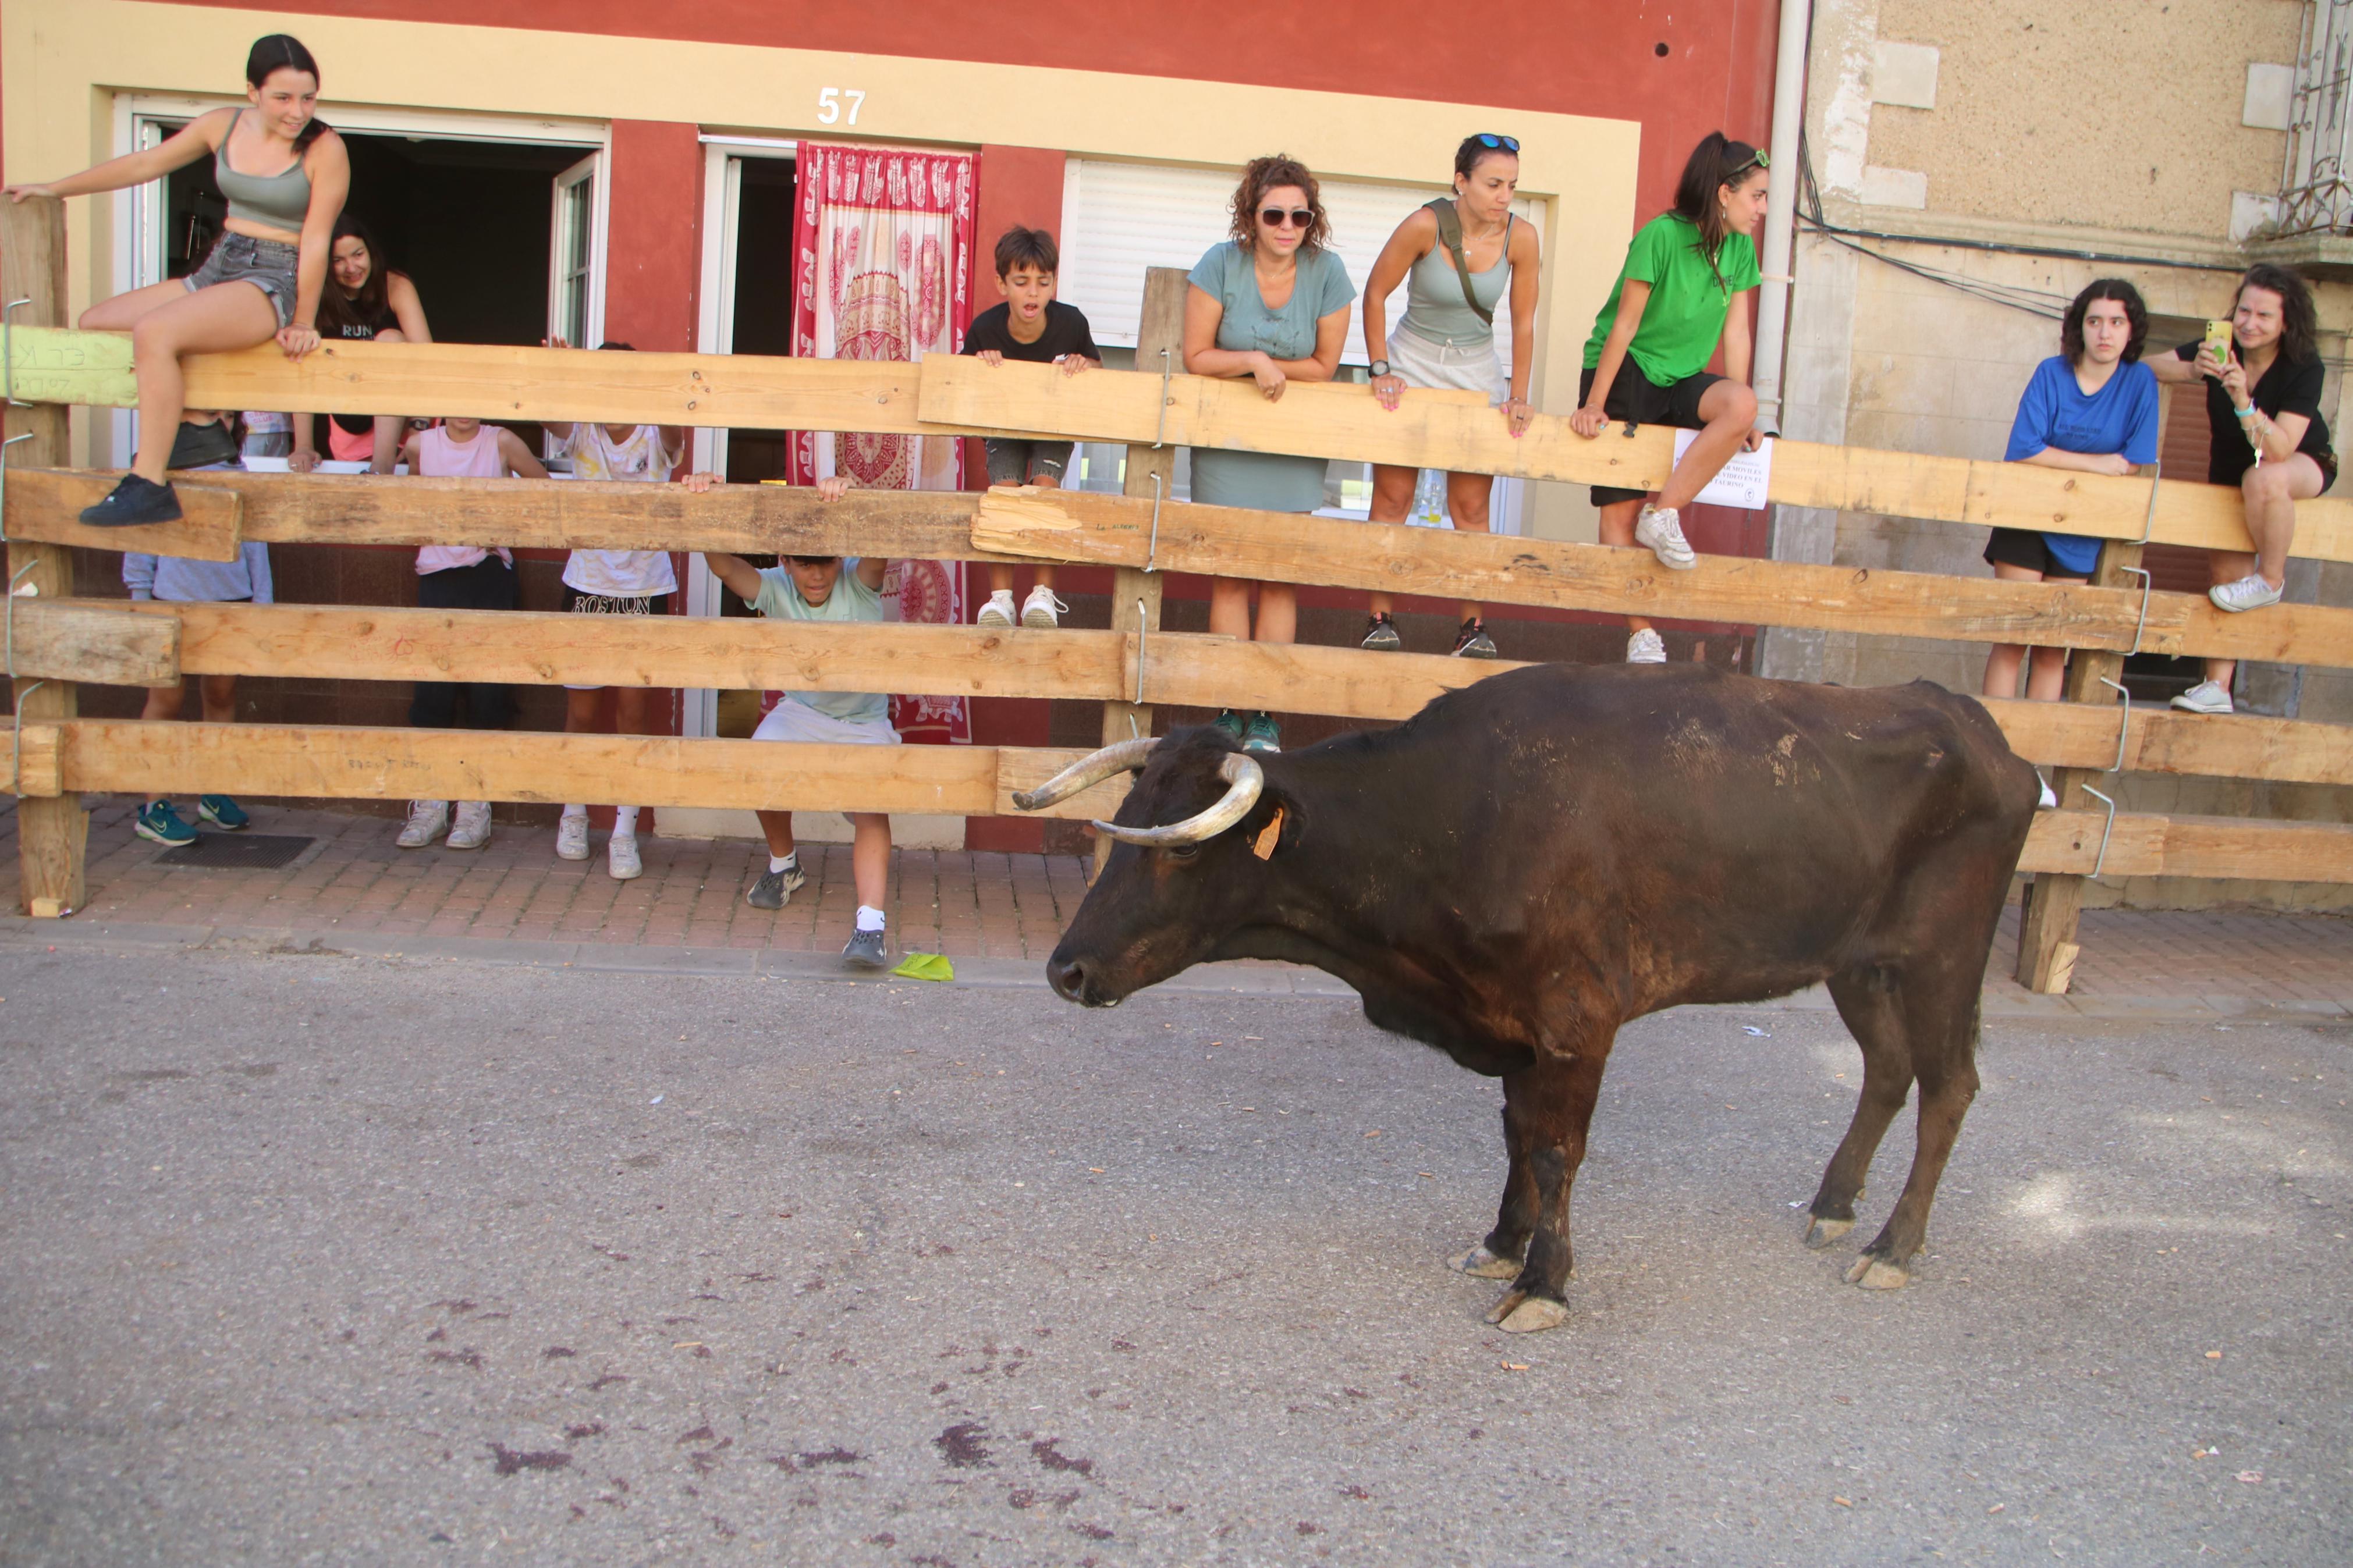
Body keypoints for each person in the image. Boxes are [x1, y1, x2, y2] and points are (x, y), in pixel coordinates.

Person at [5, 34, 346, 526]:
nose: (298, 111)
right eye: (283, 98)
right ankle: (198, 421)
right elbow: (145, 164)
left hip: (273, 276)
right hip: (219, 263)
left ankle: (148, 481)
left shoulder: (325, 147)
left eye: (309, 97)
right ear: (253, 92)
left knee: (156, 331)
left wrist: (304, 321)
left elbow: (316, 239)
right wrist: (54, 189)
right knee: (97, 322)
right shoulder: (223, 126)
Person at [1571, 131, 1769, 663]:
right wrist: (1595, 400)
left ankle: (1664, 513)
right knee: (1616, 514)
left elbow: (1737, 334)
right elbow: (1624, 325)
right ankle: (1640, 631)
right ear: (1725, 194)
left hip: (1681, 375)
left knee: (1742, 405)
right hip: (1626, 368)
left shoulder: (1741, 249)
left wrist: (1741, 407)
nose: (1762, 208)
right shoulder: (1660, 235)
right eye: (1757, 196)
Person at [1183, 154, 1358, 752]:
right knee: (1229, 578)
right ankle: (1229, 707)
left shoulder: (1327, 272)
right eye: (1274, 214)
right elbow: (1196, 354)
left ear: (1312, 220)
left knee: (1279, 580)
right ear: (1250, 215)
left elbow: (1324, 366)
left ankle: (1266, 715)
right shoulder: (1219, 264)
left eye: (1299, 215)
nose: (1287, 226)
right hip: (1226, 444)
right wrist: (1251, 361)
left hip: (1292, 446)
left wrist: (1271, 368)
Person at [698, 475, 899, 970]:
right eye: (803, 563)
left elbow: (881, 542)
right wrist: (709, 496)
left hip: (864, 721)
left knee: (872, 809)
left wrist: (850, 496)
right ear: (784, 562)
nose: (815, 575)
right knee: (759, 765)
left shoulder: (859, 579)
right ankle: (784, 867)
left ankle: (870, 927)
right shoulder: (775, 587)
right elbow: (723, 564)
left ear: (839, 558)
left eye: (825, 561)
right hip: (801, 712)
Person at [1361, 133, 1542, 659]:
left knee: (1471, 507)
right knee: (1393, 498)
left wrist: (1518, 395)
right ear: (1460, 182)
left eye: (1511, 185)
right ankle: (1378, 617)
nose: (1504, 196)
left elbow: (1523, 321)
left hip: (1476, 368)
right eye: (1492, 184)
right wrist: (1380, 370)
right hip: (1412, 360)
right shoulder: (1424, 224)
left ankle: (1472, 628)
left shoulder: (1523, 238)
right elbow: (1376, 292)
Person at [2148, 263, 2337, 716]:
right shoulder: (2219, 347)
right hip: (2230, 470)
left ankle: (2270, 579)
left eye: (2264, 316)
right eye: (2244, 311)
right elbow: (2148, 367)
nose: (2250, 324)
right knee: (2226, 584)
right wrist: (2192, 368)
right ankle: (2216, 686)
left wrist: (2241, 398)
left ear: (2285, 322)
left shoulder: (2303, 366)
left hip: (2300, 463)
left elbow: (2280, 448)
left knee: (2265, 478)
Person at [542, 342, 688, 880]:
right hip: (587, 582)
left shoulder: (656, 430)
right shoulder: (580, 428)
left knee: (632, 711)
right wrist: (562, 369)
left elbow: (676, 430)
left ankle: (625, 829)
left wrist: (652, 382)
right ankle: (573, 813)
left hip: (644, 586)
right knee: (581, 711)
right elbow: (548, 412)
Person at [1982, 280, 2160, 709]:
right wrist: (2095, 464)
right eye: (2094, 321)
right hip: (2026, 516)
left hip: (2082, 528)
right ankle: (1992, 757)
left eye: (2116, 322)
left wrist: (2069, 460)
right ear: (2079, 328)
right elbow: (2024, 450)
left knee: (2051, 647)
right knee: (2012, 637)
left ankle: (2033, 758)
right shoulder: (2051, 372)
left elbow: (2133, 461)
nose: (2104, 332)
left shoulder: (2139, 382)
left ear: (2130, 330)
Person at [392, 416, 547, 852]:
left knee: (487, 692)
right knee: (432, 694)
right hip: (438, 576)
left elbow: (546, 488)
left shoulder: (502, 441)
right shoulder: (420, 444)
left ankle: (475, 805)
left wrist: (501, 522)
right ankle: (431, 803)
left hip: (487, 575)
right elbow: (407, 500)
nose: (465, 411)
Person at [122, 418, 272, 845]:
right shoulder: (161, 469)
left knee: (222, 696)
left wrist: (261, 603)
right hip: (172, 601)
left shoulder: (240, 476)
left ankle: (213, 789)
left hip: (231, 603)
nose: (218, 422)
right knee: (166, 699)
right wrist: (141, 594)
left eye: (226, 416)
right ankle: (154, 807)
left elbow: (256, 546)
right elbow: (141, 538)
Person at [962, 225, 1100, 630]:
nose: (1032, 293)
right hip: (1003, 425)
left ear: (1054, 283)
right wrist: (978, 365)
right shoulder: (985, 328)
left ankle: (1042, 593)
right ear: (1001, 283)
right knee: (1004, 497)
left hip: (1053, 426)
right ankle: (1001, 599)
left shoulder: (1071, 323)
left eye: (1043, 283)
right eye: (1021, 283)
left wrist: (1084, 366)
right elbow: (960, 381)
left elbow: (1098, 371)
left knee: (1044, 493)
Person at [292, 214, 429, 475]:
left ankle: (382, 468)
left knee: (389, 340)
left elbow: (427, 362)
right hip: (350, 418)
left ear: (371, 252)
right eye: (338, 260)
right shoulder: (318, 296)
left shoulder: (396, 287)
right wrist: (303, 446)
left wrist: (418, 431)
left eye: (357, 255)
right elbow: (304, 368)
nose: (351, 268)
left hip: (404, 420)